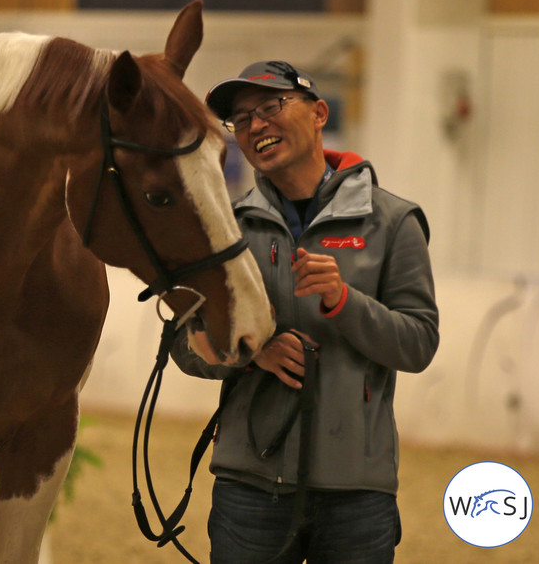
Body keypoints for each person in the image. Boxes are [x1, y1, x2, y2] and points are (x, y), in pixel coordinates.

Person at [170, 61, 439, 563]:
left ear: (319, 113)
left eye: (271, 106)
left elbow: (419, 343)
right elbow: (186, 348)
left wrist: (345, 303)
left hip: (357, 493)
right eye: (242, 119)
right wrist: (252, 352)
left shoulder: (394, 222)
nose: (255, 125)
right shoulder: (224, 229)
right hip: (248, 488)